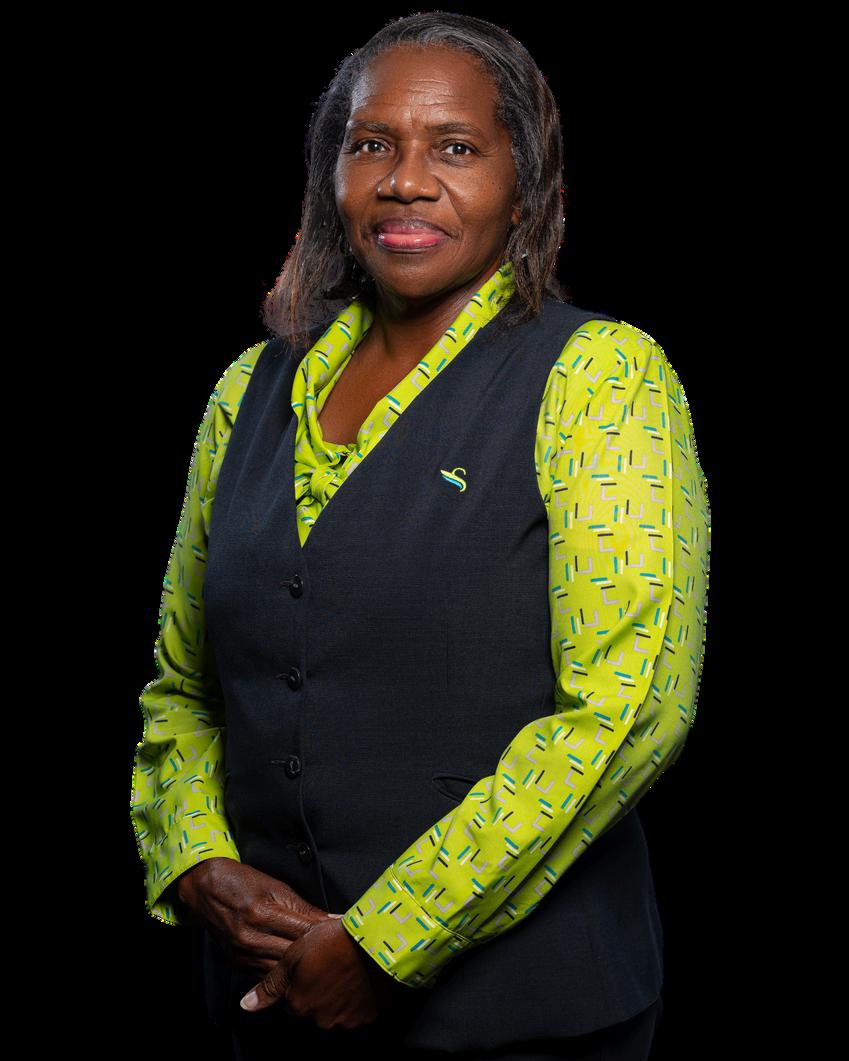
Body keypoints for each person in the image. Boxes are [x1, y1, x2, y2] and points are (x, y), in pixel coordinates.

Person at [131, 12, 711, 1061]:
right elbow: (185, 685)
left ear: (525, 185)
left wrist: (384, 942)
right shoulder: (247, 391)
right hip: (263, 1012)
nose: (405, 180)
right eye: (371, 144)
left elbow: (629, 709)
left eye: (455, 146)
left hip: (524, 1025)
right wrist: (196, 860)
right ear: (332, 177)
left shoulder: (599, 377)